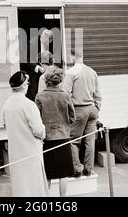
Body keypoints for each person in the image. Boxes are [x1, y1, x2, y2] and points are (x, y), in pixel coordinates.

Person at [3, 71, 48, 197]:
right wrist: (43, 135)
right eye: (27, 83)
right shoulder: (29, 104)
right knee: (34, 185)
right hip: (30, 151)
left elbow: (5, 125)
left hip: (15, 151)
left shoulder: (7, 104)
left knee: (20, 185)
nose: (28, 85)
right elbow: (39, 130)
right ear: (23, 86)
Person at [35, 66, 75, 197]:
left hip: (46, 139)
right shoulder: (65, 95)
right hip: (63, 137)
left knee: (47, 173)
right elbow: (72, 117)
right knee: (63, 173)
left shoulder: (40, 96)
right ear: (60, 80)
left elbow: (37, 118)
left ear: (46, 80)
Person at [63, 49, 102, 177]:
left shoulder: (70, 73)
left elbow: (65, 95)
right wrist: (97, 108)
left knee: (73, 140)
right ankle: (88, 169)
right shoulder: (92, 72)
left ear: (72, 57)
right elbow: (98, 94)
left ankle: (77, 169)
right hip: (92, 109)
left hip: (79, 109)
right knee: (89, 141)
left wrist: (69, 112)